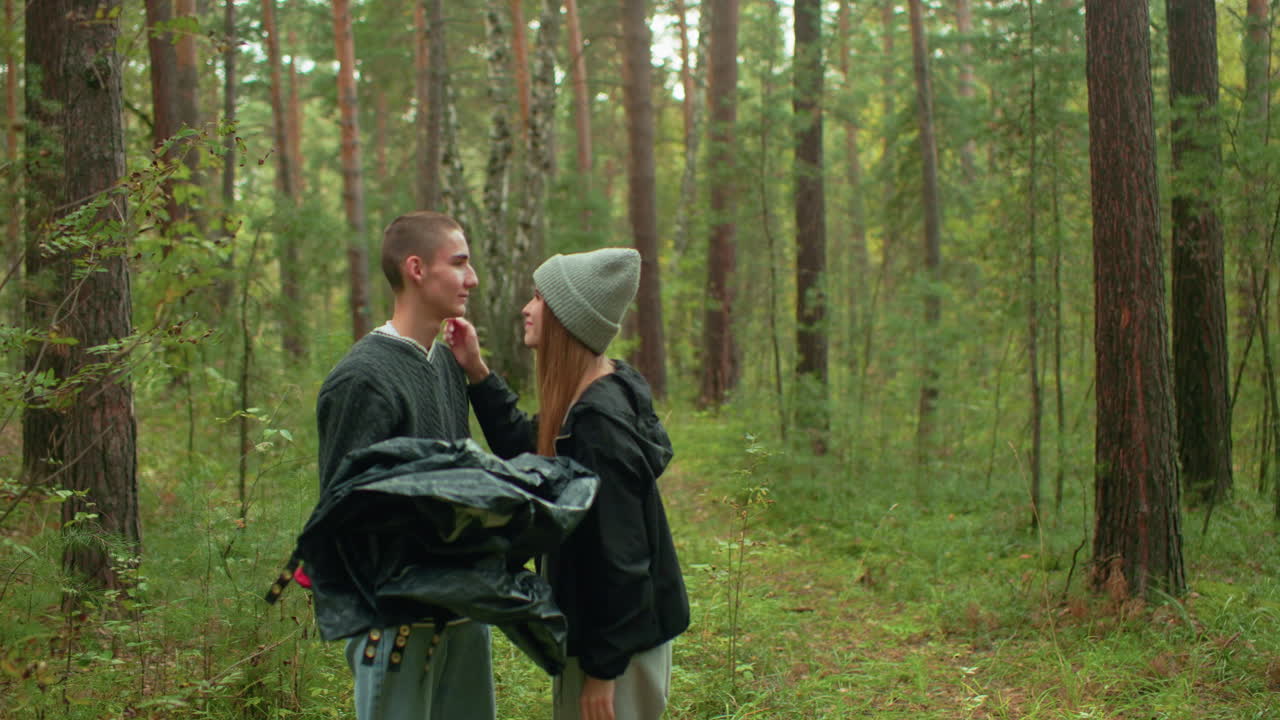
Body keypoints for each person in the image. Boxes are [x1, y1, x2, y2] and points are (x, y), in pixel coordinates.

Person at [445, 247, 690, 720]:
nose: (526, 308)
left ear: (566, 320)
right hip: (608, 636)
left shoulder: (600, 426)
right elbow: (533, 448)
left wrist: (602, 672)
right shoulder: (593, 392)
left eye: (539, 299)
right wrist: (477, 372)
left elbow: (623, 559)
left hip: (620, 648)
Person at [315, 210, 495, 720]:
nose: (472, 278)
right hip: (395, 623)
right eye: (459, 263)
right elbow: (343, 515)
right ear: (416, 269)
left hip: (460, 610)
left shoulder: (444, 363)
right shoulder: (363, 379)